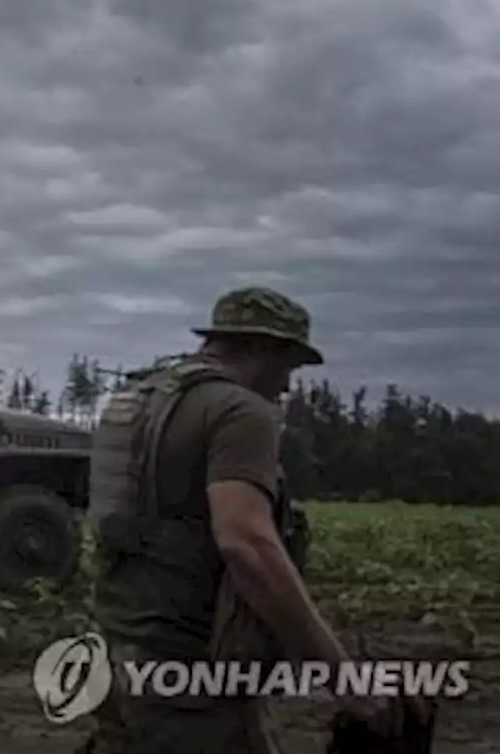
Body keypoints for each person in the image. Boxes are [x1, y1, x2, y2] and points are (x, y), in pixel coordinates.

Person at [81, 286, 393, 753]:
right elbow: (247, 545)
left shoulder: (140, 401)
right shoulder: (239, 411)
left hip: (114, 652)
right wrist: (339, 673)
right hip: (187, 675)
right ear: (261, 347)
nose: (287, 385)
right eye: (287, 366)